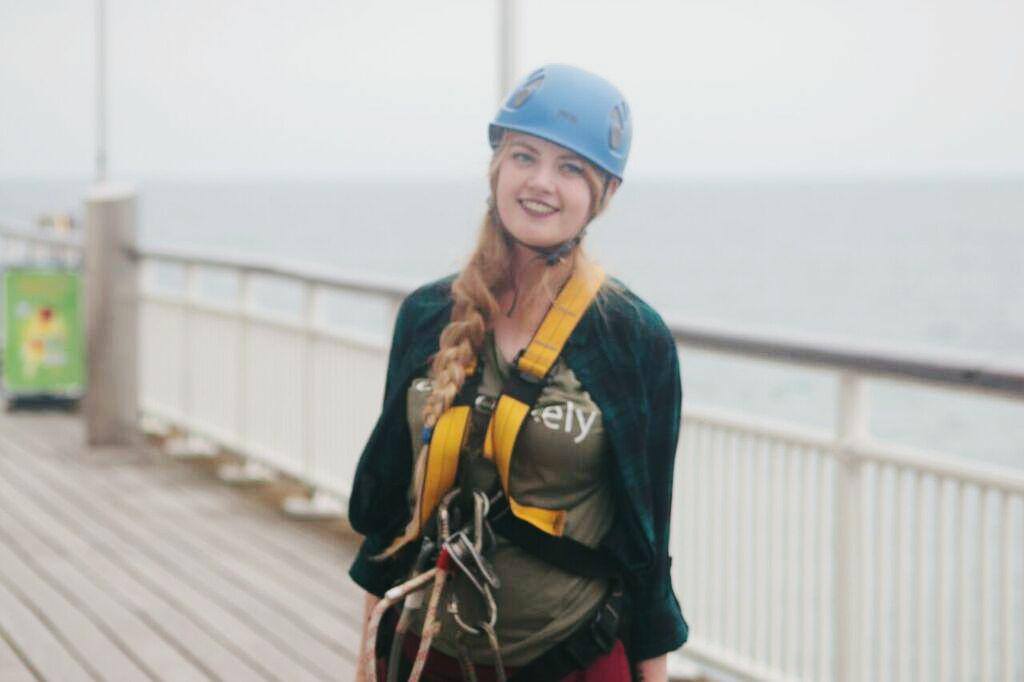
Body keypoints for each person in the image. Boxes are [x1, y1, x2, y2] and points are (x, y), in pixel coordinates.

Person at [349, 64, 688, 682]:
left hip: (571, 660)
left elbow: (647, 540)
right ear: (496, 167)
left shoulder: (630, 339)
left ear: (604, 192)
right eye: (524, 156)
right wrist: (367, 660)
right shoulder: (429, 315)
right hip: (430, 655)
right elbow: (390, 508)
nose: (541, 183)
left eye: (571, 169)